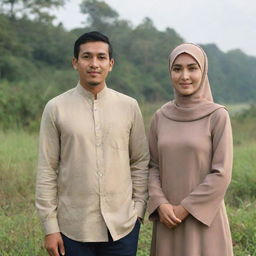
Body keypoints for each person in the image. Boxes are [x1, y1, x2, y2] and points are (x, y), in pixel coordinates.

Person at [35, 31, 149, 256]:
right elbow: (47, 168)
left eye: (101, 57)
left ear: (111, 63)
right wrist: (50, 228)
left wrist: (137, 211)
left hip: (122, 228)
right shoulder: (56, 108)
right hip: (72, 229)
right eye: (87, 57)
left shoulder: (129, 107)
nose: (94, 63)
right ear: (75, 63)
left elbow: (140, 161)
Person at [148, 43, 233, 256]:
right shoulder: (160, 116)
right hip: (167, 220)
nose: (184, 76)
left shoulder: (217, 116)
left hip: (204, 219)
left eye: (192, 68)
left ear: (203, 71)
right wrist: (160, 204)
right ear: (170, 72)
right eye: (177, 69)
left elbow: (221, 173)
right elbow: (152, 166)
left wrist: (185, 208)